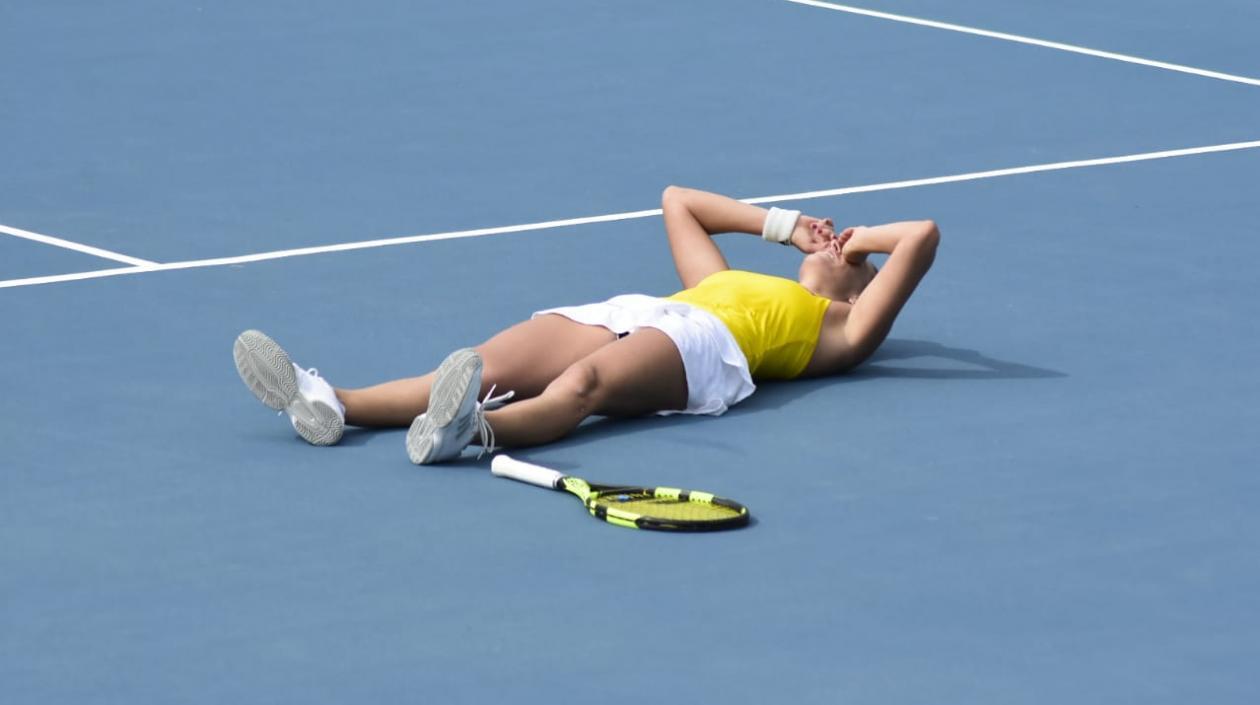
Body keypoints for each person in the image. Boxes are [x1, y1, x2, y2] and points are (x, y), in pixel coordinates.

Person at [233, 186, 939, 463]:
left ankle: (476, 433)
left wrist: (866, 237)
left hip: (706, 351)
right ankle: (332, 401)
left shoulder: (843, 332)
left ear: (863, 283)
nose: (843, 241)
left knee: (585, 384)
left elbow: (924, 234)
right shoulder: (727, 279)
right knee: (483, 363)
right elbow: (678, 203)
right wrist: (784, 228)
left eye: (856, 253)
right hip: (642, 312)